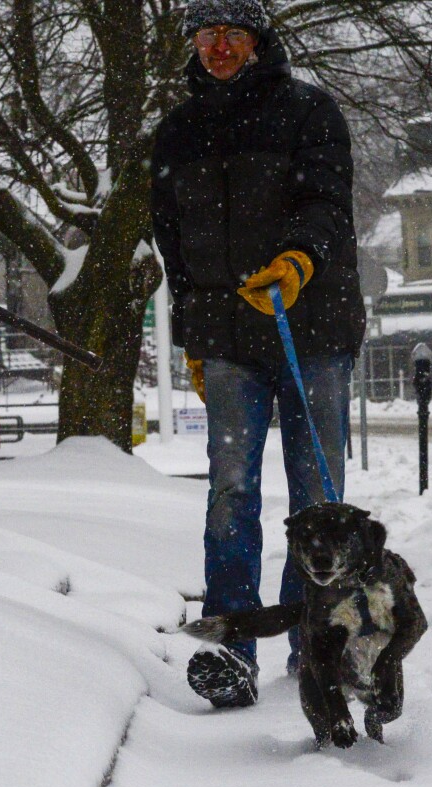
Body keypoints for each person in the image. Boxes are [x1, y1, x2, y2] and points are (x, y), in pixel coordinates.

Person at [150, 0, 363, 708]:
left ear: (257, 40)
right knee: (231, 492)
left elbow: (327, 202)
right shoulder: (177, 134)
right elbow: (174, 249)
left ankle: (317, 642)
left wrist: (301, 257)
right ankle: (232, 650)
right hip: (229, 339)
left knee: (318, 497)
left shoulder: (309, 113)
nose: (218, 47)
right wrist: (193, 342)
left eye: (231, 34)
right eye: (207, 35)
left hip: (313, 331)